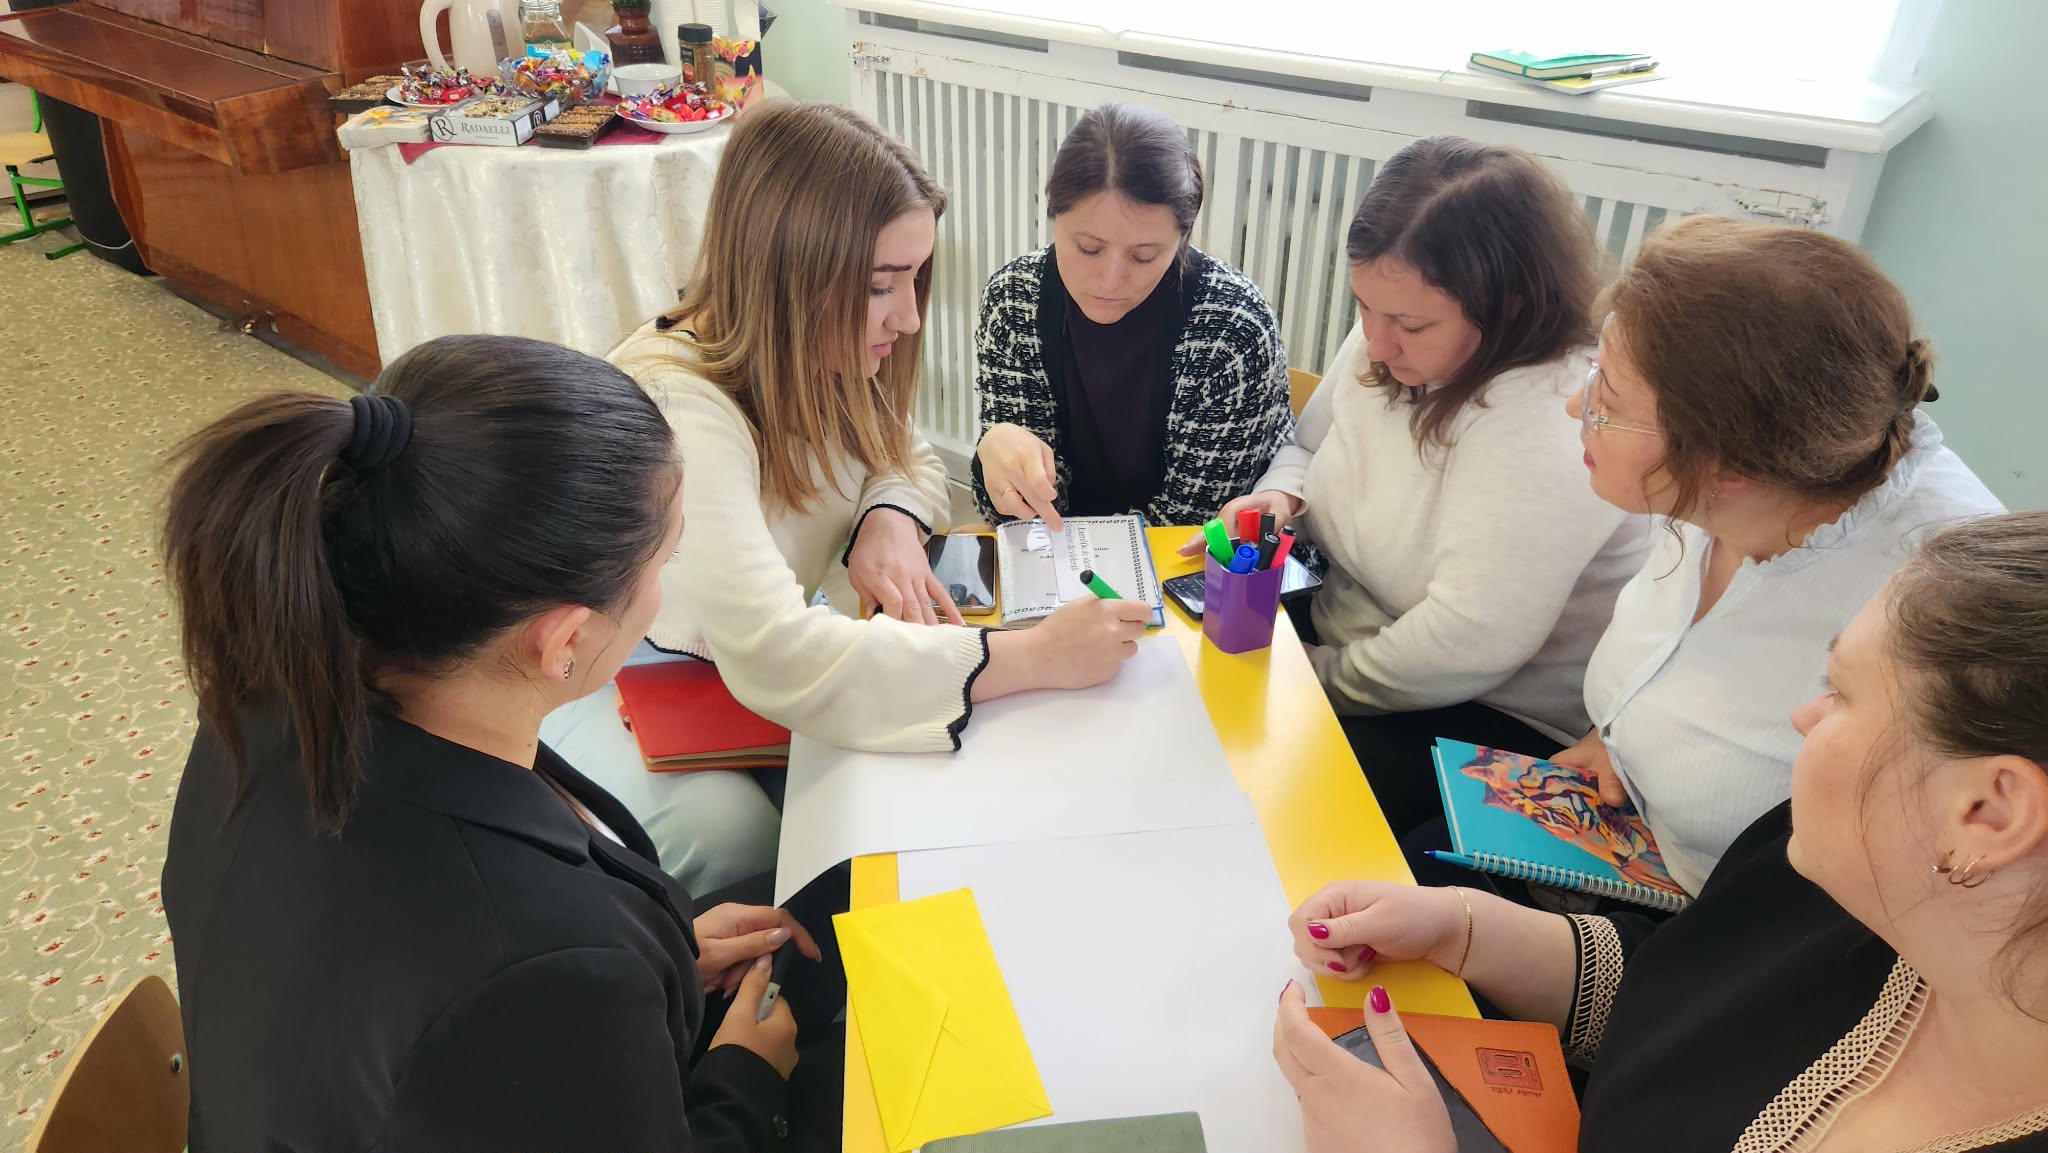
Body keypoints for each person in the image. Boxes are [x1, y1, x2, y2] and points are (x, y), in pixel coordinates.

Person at [161, 336, 842, 1152]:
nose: (663, 588)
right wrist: (743, 1076)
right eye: (664, 560)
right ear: (563, 640)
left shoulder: (265, 705)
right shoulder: (539, 961)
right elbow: (514, 984)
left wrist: (657, 960)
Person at [1276, 511, 2048, 1153]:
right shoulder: (1834, 872)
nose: (1803, 716)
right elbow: (1681, 992)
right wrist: (1463, 928)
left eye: (1838, 693)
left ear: (1990, 811)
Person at [597, 101, 1151, 887]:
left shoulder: (818, 350)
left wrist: (886, 517)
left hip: (751, 658)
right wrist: (1035, 656)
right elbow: (778, 652)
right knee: (759, 835)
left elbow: (909, 458)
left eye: (916, 279)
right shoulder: (681, 405)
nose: (911, 316)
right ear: (785, 271)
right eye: (881, 285)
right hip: (648, 668)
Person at [1190, 135, 1646, 836]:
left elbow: (1468, 641)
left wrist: (1318, 677)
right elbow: (1306, 446)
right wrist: (1281, 499)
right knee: (1179, 718)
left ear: (1510, 306)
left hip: (1486, 711)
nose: (1375, 344)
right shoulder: (1396, 334)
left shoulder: (1547, 418)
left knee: (1256, 807)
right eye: (1364, 307)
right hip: (1351, 640)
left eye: (1408, 324)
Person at [1553, 215, 2003, 894]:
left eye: (1604, 399)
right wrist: (1615, 740)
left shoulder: (1936, 608)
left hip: (1742, 928)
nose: (1574, 407)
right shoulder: (1744, 480)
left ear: (1728, 464)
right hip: (1626, 840)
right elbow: (1669, 675)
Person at [971, 103, 1293, 530]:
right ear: (1052, 208)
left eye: (1144, 256)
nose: (1110, 280)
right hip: (1067, 550)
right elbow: (1023, 516)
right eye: (1089, 248)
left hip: (1195, 560)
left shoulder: (1231, 330)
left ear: (1183, 235)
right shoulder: (1014, 302)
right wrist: (997, 462)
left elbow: (1191, 529)